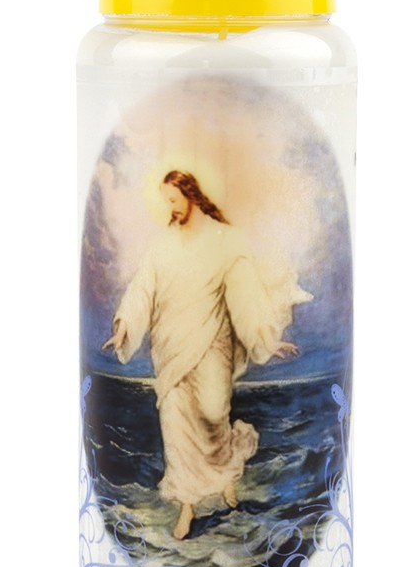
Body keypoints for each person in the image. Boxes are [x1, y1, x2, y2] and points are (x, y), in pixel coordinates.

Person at [103, 170, 311, 539]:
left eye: (173, 199)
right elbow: (141, 290)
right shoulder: (163, 246)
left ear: (190, 194)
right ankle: (187, 505)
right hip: (170, 350)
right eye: (165, 201)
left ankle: (225, 472)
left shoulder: (225, 241)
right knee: (176, 426)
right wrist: (124, 327)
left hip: (212, 344)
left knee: (215, 414)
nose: (170, 207)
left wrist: (266, 337)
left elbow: (246, 295)